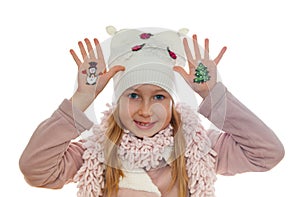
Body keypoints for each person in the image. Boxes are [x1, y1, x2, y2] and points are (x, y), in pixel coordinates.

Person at [19, 26, 284, 197]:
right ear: (117, 99)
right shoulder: (94, 152)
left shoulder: (200, 147)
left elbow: (267, 154)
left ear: (172, 102)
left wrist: (212, 95)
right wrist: (81, 100)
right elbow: (35, 170)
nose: (145, 110)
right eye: (133, 95)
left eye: (158, 96)